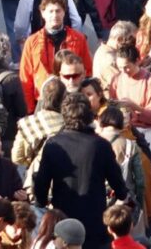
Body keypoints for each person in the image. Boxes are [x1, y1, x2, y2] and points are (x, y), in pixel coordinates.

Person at [30, 96, 129, 249]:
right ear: (90, 115)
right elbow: (119, 185)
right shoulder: (101, 145)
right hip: (95, 222)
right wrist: (119, 197)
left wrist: (42, 203)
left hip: (63, 224)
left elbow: (41, 184)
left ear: (64, 115)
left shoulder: (53, 145)